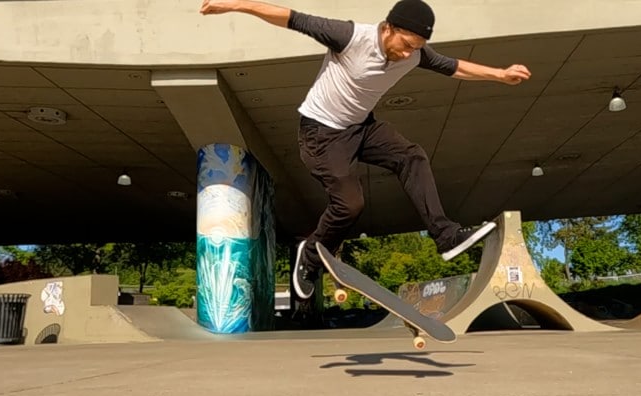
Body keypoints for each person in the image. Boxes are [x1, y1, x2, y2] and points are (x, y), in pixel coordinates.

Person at [200, 0, 531, 300]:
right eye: (404, 45)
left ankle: (446, 237)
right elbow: (292, 18)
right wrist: (236, 5)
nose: (407, 54)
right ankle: (311, 256)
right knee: (350, 204)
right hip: (320, 133)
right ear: (388, 28)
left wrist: (500, 75)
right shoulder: (349, 36)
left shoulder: (415, 53)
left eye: (415, 48)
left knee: (411, 156)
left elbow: (455, 67)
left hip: (361, 128)